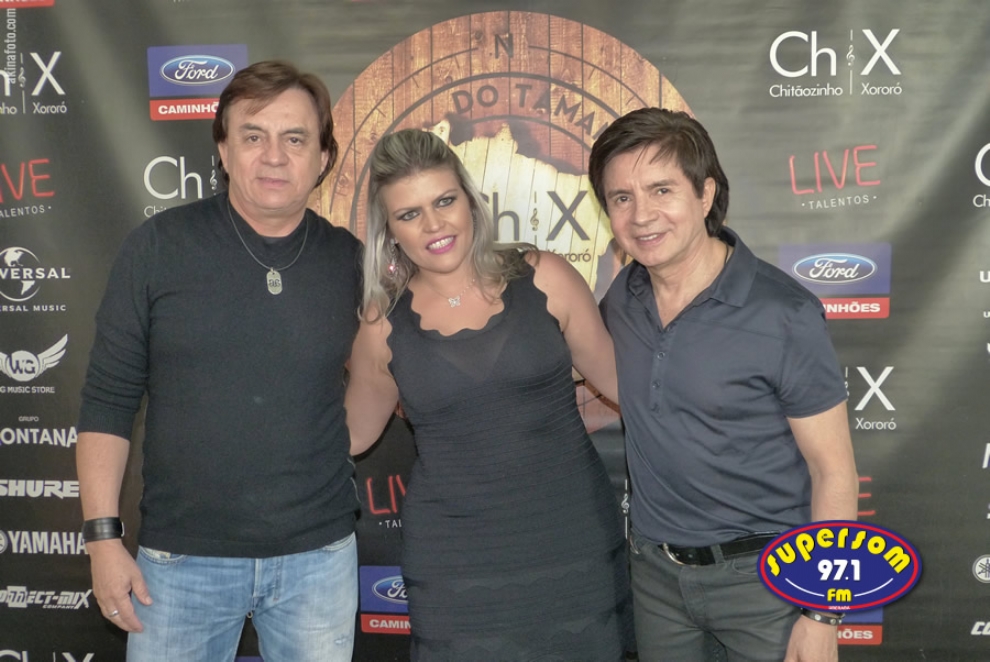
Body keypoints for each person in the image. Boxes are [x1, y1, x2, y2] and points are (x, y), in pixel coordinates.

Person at [75, 60, 361, 662]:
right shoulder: (158, 247)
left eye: (295, 139)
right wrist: (102, 539)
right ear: (224, 152)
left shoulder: (351, 261)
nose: (274, 156)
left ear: (323, 158)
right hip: (180, 564)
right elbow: (107, 401)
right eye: (253, 136)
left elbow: (392, 369)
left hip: (318, 560)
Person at [346, 128, 634, 660]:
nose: (434, 225)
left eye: (444, 201)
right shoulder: (381, 325)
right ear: (389, 230)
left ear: (469, 200)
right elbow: (350, 437)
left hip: (572, 541)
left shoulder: (546, 276)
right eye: (409, 214)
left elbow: (626, 387)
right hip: (455, 564)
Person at [588, 108, 859, 662]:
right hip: (655, 582)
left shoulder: (783, 313)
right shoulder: (623, 299)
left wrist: (823, 610)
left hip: (769, 584)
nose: (642, 215)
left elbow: (834, 471)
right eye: (621, 198)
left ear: (705, 193)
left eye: (661, 190)